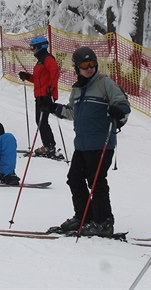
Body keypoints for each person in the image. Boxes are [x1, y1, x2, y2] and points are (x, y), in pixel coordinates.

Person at [43, 47, 130, 236]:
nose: (90, 68)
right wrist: (52, 108)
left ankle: (104, 221)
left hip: (101, 143)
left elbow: (122, 104)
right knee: (74, 179)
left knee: (96, 181)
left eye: (92, 64)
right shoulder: (78, 88)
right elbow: (73, 112)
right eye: (85, 65)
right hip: (82, 144)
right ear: (77, 67)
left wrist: (119, 110)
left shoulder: (104, 83)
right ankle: (84, 216)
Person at [18, 36, 61, 159]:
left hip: (46, 96)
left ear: (40, 47)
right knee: (40, 120)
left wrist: (50, 91)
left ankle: (49, 146)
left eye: (33, 48)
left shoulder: (48, 59)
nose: (32, 50)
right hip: (40, 95)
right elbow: (38, 80)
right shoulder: (40, 60)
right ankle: (48, 145)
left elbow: (55, 74)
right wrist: (27, 76)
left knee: (41, 120)